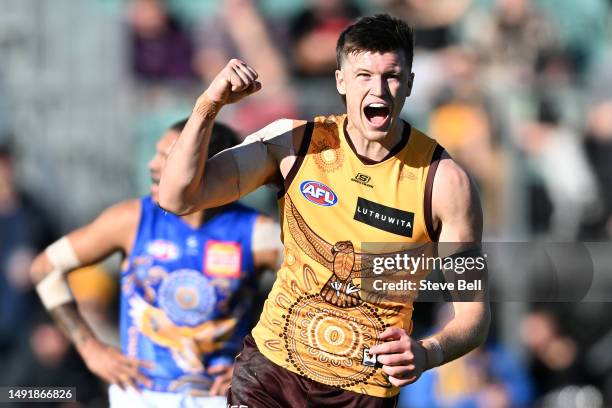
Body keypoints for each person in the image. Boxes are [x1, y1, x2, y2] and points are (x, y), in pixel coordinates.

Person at [159, 14, 490, 407]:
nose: (378, 89)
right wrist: (208, 106)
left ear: (410, 85)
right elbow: (177, 198)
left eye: (392, 75)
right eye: (364, 75)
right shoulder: (293, 145)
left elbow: (474, 316)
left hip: (363, 391)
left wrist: (428, 353)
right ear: (340, 82)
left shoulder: (445, 183)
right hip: (272, 374)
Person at [30, 119, 282, 407]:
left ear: (203, 165)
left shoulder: (257, 233)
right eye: (156, 153)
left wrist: (259, 363)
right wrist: (91, 350)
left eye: (167, 156)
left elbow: (314, 295)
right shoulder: (131, 220)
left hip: (219, 397)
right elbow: (44, 268)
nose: (152, 164)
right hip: (140, 394)